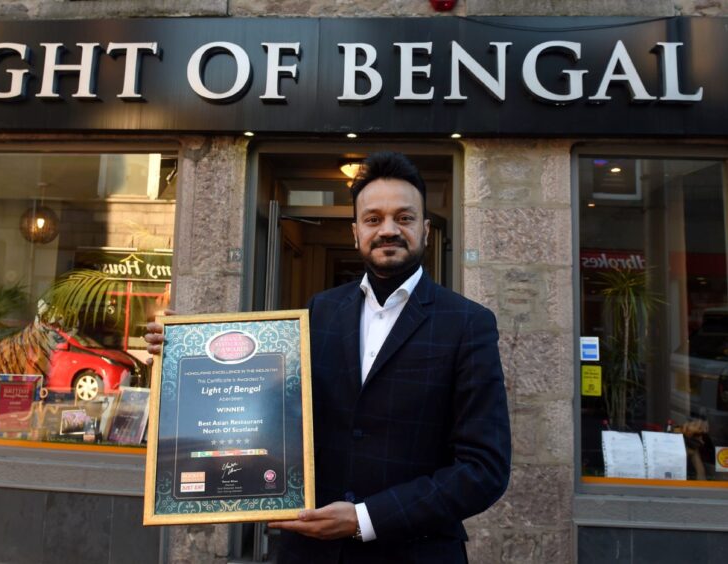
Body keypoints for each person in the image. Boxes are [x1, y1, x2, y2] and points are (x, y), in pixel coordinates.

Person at [145, 152, 511, 563]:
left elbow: (484, 470)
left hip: (414, 553)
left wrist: (364, 519)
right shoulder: (320, 310)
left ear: (425, 229)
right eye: (373, 219)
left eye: (404, 218)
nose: (388, 230)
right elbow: (267, 406)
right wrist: (182, 353)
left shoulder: (468, 324)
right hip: (309, 553)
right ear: (356, 232)